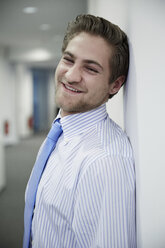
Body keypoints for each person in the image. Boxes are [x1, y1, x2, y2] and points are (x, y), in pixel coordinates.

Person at [23, 14, 136, 248]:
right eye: (68, 60)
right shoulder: (62, 132)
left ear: (115, 84)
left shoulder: (103, 162)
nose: (71, 76)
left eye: (91, 69)